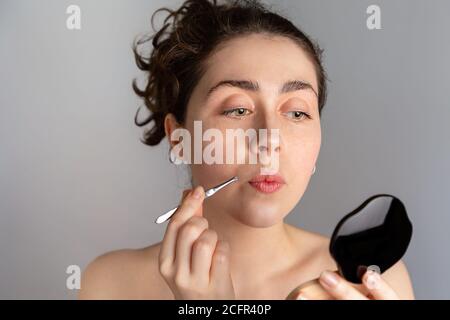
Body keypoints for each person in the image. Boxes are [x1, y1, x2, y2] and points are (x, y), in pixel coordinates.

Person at [78, 0, 414, 300]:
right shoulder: (109, 285)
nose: (269, 138)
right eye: (237, 110)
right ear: (179, 138)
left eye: (297, 112)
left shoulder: (373, 280)